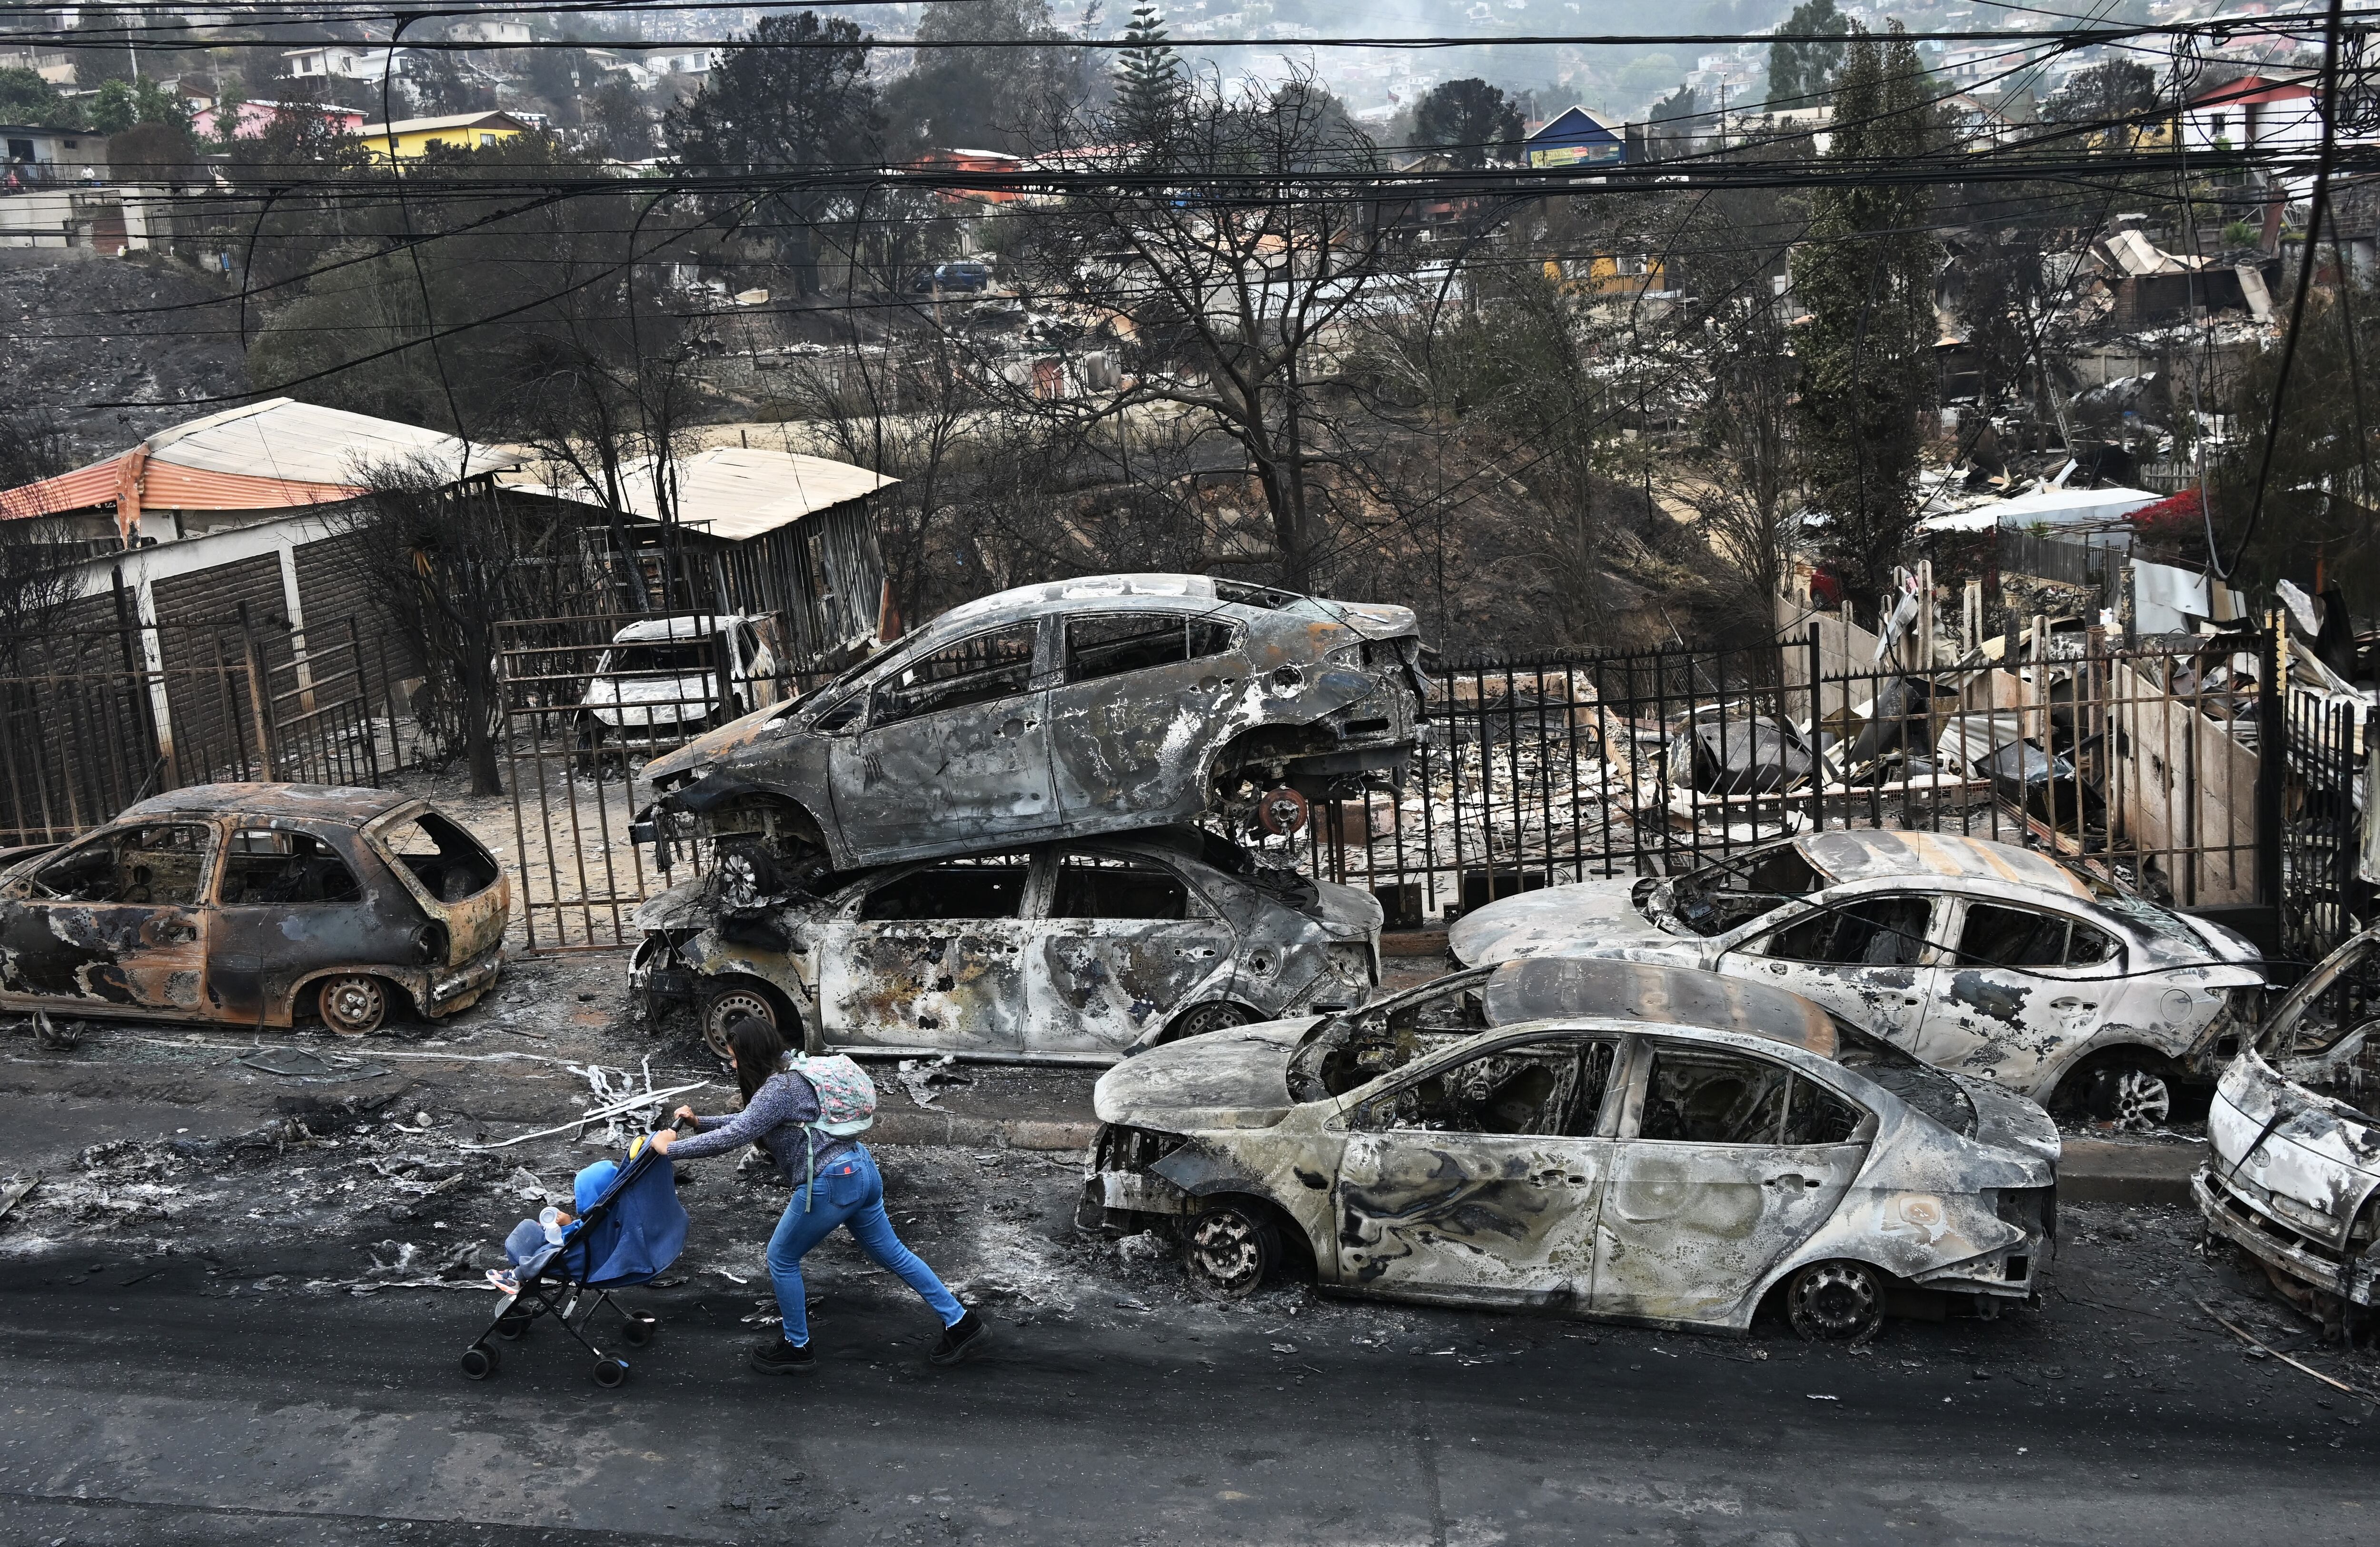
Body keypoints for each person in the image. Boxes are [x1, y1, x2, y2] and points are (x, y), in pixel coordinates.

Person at [651, 1016, 988, 1373]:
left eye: (735, 1058)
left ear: (750, 1055)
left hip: (833, 1182)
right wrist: (699, 1122)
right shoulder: (794, 1071)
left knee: (781, 1257)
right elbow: (751, 1122)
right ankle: (961, 1322)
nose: (732, 1064)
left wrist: (670, 1149)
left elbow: (735, 1136)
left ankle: (798, 1347)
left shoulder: (778, 1089)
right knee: (895, 1254)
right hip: (859, 1169)